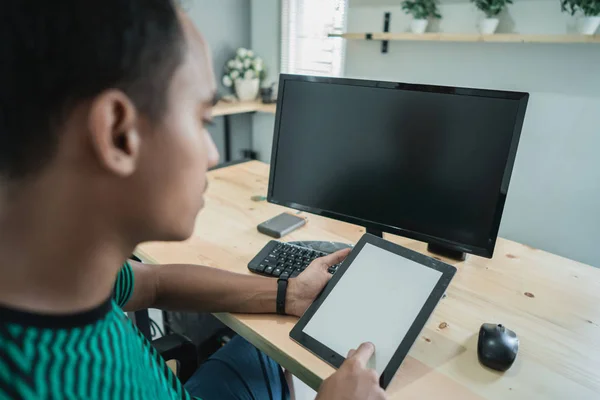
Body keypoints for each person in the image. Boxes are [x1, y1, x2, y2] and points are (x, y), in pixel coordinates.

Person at [0, 1, 388, 399]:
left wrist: (288, 294)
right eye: (202, 119)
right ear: (118, 133)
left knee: (263, 352)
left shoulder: (57, 269)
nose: (213, 155)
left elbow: (153, 283)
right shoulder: (41, 383)